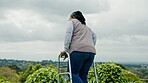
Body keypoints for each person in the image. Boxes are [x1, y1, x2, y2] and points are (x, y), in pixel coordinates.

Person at [60, 11, 97, 83]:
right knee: (83, 75)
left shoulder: (72, 21)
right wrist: (89, 47)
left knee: (72, 74)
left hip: (78, 51)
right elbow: (94, 37)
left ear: (73, 17)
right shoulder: (87, 28)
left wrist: (66, 50)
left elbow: (68, 34)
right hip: (91, 52)